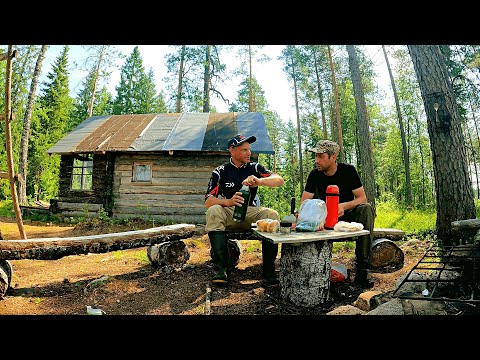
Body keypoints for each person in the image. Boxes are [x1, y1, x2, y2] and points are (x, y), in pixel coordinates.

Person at [204, 134, 285, 285]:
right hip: (229, 213)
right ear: (232, 150)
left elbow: (279, 180)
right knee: (213, 211)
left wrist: (259, 181)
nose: (249, 153)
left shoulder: (254, 167)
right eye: (244, 150)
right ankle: (221, 269)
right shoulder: (220, 171)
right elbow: (208, 201)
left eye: (249, 149)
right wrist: (228, 202)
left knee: (272, 214)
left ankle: (268, 270)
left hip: (251, 212)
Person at [300, 139, 375, 288]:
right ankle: (310, 268)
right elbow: (304, 202)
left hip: (346, 216)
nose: (317, 160)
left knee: (366, 208)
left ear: (333, 157)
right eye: (316, 156)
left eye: (321, 156)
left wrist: (343, 206)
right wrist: (316, 214)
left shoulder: (348, 170)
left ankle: (363, 268)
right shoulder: (315, 174)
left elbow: (362, 198)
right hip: (324, 218)